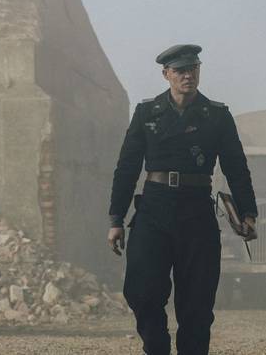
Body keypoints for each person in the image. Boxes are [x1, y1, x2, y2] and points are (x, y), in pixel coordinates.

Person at [107, 44, 258, 355]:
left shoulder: (217, 116)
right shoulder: (147, 113)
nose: (188, 75)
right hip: (153, 209)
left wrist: (248, 213)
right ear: (166, 75)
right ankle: (157, 348)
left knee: (197, 302)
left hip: (196, 212)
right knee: (142, 292)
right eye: (180, 71)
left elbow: (236, 167)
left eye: (193, 69)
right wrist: (115, 219)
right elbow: (127, 167)